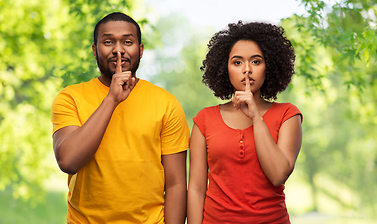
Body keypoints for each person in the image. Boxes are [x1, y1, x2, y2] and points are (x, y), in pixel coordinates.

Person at [51, 12, 189, 224]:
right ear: (95, 50)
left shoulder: (167, 103)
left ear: (140, 50)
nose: (118, 50)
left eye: (127, 42)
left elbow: (176, 184)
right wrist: (111, 100)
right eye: (108, 42)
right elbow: (68, 161)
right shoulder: (70, 98)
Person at [187, 21, 303, 224]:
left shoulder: (288, 115)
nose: (247, 70)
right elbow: (196, 189)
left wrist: (256, 117)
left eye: (256, 62)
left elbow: (277, 175)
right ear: (225, 68)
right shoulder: (204, 120)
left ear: (270, 67)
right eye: (237, 62)